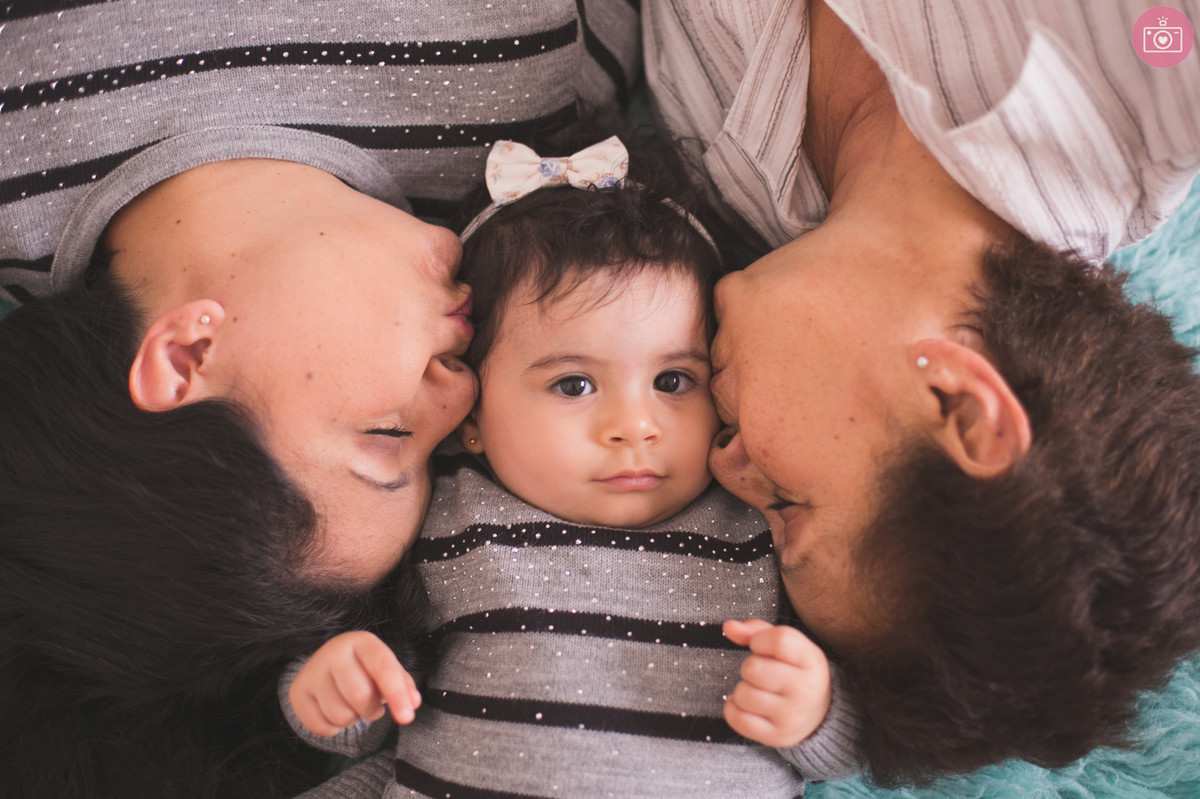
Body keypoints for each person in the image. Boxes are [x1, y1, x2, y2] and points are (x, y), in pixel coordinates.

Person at [0, 3, 638, 797]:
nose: (460, 392)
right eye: (429, 453)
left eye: (385, 433)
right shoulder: (528, 107)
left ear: (187, 355)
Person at [644, 0, 1200, 786]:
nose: (726, 466)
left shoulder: (712, 167)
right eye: (789, 504)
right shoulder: (1152, 84)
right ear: (961, 405)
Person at [279, 134, 862, 797]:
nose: (635, 427)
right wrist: (335, 691)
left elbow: (855, 744)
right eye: (574, 385)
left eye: (673, 382)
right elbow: (363, 701)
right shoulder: (443, 514)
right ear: (471, 412)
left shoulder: (760, 522)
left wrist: (816, 711)